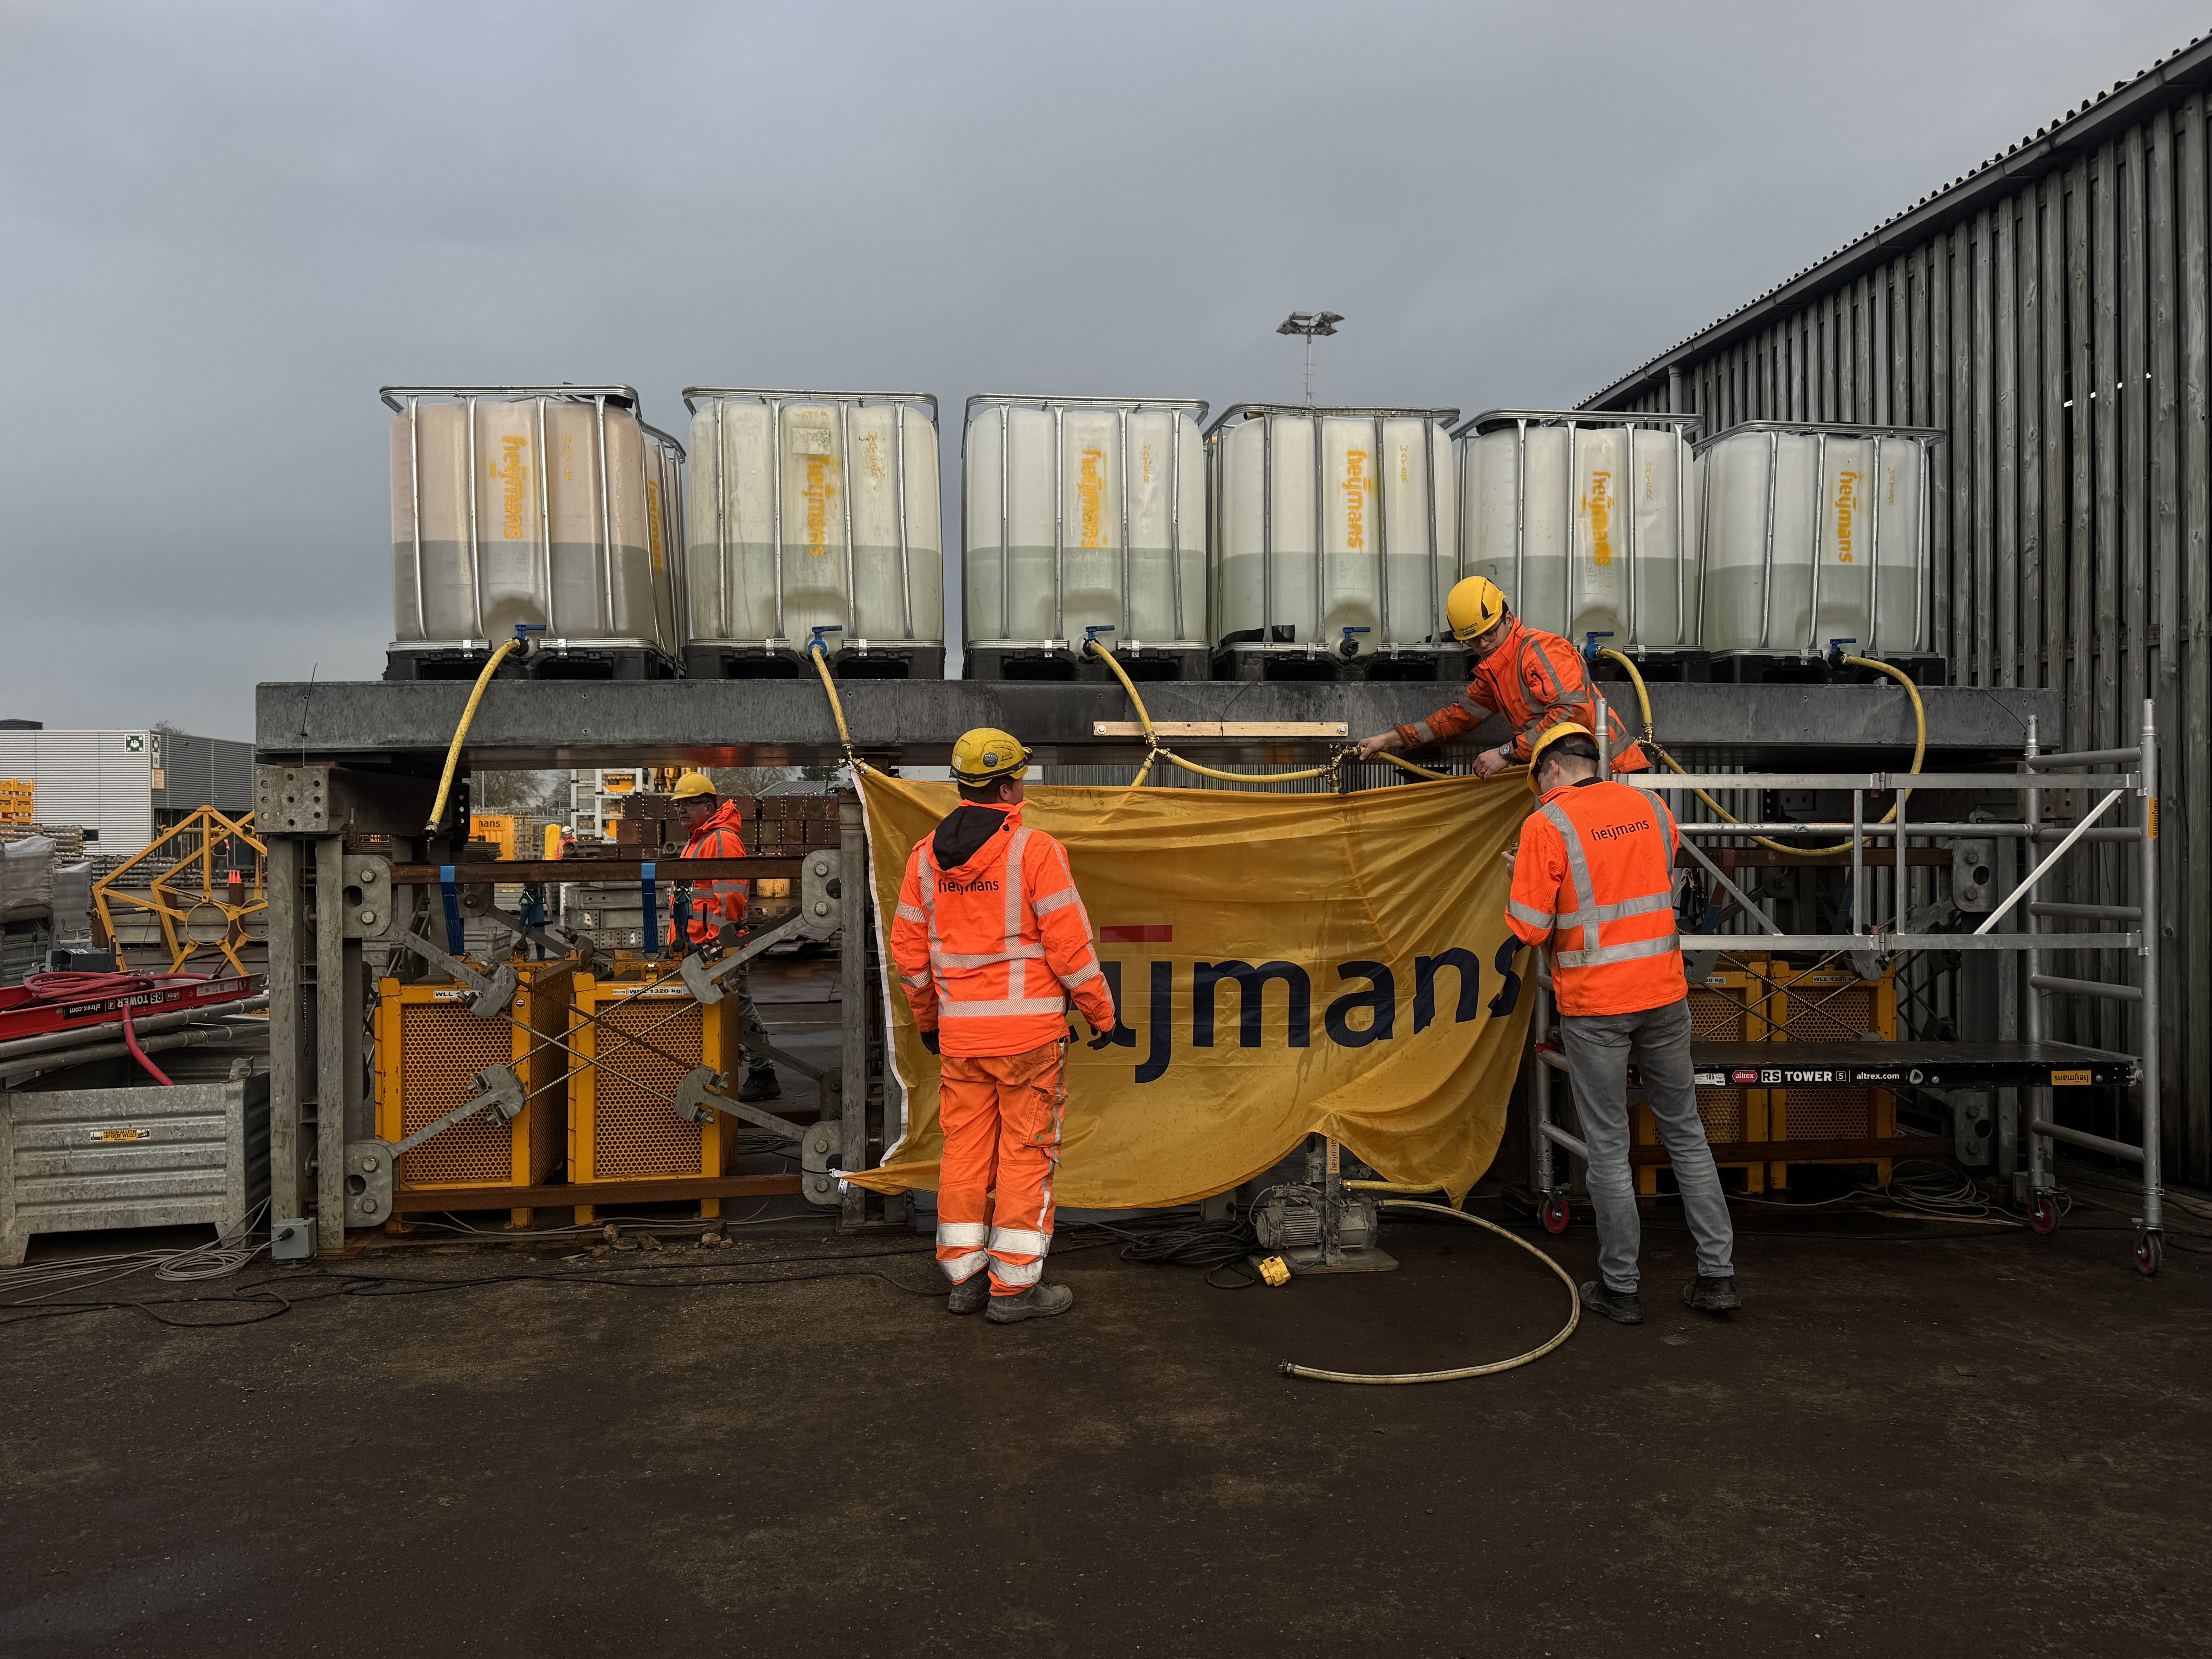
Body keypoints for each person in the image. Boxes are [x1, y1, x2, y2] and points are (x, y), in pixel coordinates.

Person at [1503, 723, 1738, 1324]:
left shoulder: (1546, 825)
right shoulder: (1652, 808)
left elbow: (1530, 927)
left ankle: (1621, 1289)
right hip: (1663, 994)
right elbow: (1642, 878)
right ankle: (1717, 1278)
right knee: (1685, 1133)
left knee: (1609, 1148)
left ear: (1551, 769)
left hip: (1597, 1006)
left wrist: (1520, 876)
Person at [889, 727, 1117, 1324]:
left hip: (961, 1041)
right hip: (1030, 1042)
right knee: (1025, 1156)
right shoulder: (1036, 851)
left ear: (962, 786)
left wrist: (929, 1020)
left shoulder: (923, 859)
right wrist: (1100, 1012)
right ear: (1011, 785)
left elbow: (909, 956)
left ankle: (965, 1279)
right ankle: (1013, 1289)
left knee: (964, 1154)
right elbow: (1071, 949)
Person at [1354, 576, 1649, 778]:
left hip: (1614, 772)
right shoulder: (1495, 672)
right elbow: (1457, 719)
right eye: (1474, 641)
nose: (1483, 645)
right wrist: (1389, 740)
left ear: (1508, 619)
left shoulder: (1541, 650)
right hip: (1577, 774)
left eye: (1490, 634)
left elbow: (1572, 713)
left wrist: (1507, 753)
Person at [670, 771, 778, 1103]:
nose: (681, 810)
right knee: (724, 1010)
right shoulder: (699, 839)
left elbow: (731, 896)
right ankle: (733, 1071)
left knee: (738, 1009)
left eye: (689, 803)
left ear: (709, 806)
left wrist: (719, 945)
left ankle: (763, 1073)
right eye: (678, 805)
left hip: (718, 948)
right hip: (702, 947)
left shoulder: (720, 839)